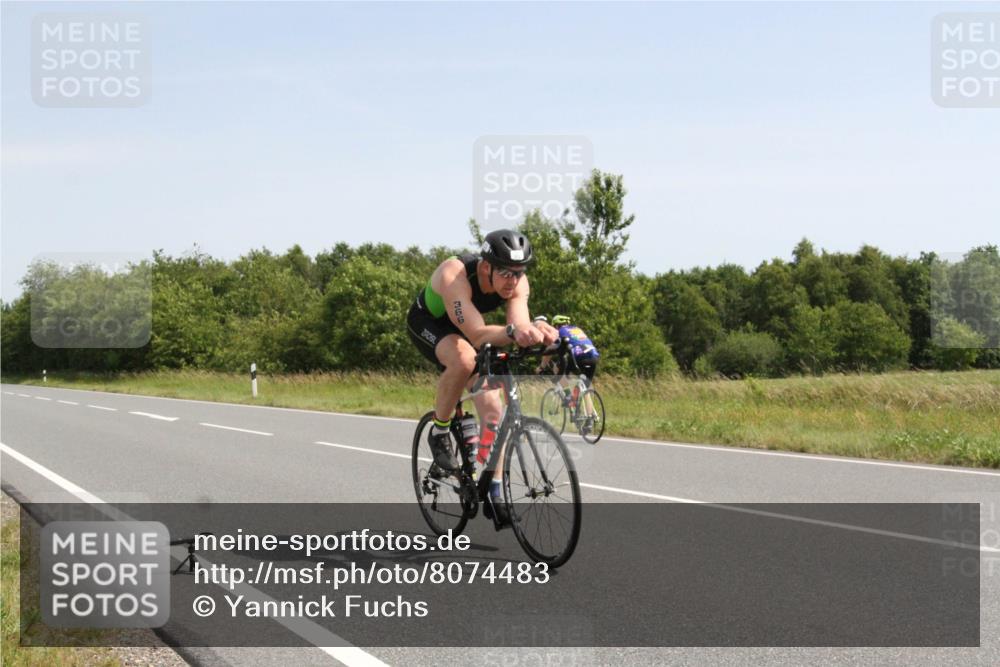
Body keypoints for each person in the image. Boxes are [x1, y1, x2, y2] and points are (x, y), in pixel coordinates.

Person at [406, 229, 559, 477]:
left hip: (468, 327)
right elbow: (478, 335)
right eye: (506, 272)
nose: (513, 280)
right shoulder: (454, 274)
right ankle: (440, 432)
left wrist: (537, 332)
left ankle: (495, 490)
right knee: (464, 359)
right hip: (429, 323)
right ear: (486, 267)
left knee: (492, 410)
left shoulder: (518, 283)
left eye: (519, 273)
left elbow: (518, 325)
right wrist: (515, 331)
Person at [536, 314, 600, 430]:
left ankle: (569, 397)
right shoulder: (576, 329)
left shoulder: (560, 331)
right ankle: (590, 419)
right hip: (593, 356)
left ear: (555, 325)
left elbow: (549, 351)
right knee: (584, 385)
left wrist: (541, 367)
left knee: (560, 373)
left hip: (579, 356)